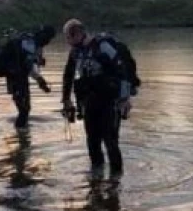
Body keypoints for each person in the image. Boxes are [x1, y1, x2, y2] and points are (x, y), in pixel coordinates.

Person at [60, 19, 139, 175]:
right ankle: (96, 176)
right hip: (89, 102)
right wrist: (66, 99)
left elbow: (121, 70)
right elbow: (68, 76)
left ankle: (116, 181)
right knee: (92, 141)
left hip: (110, 102)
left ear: (78, 33)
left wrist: (125, 99)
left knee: (111, 142)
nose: (67, 41)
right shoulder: (76, 52)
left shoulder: (102, 46)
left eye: (68, 37)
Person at [1, 25, 55, 129]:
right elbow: (29, 66)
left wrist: (40, 81)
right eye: (49, 38)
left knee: (24, 109)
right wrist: (41, 81)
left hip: (17, 78)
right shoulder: (31, 44)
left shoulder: (33, 43)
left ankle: (22, 134)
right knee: (24, 110)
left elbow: (31, 66)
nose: (48, 41)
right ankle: (21, 135)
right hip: (17, 78)